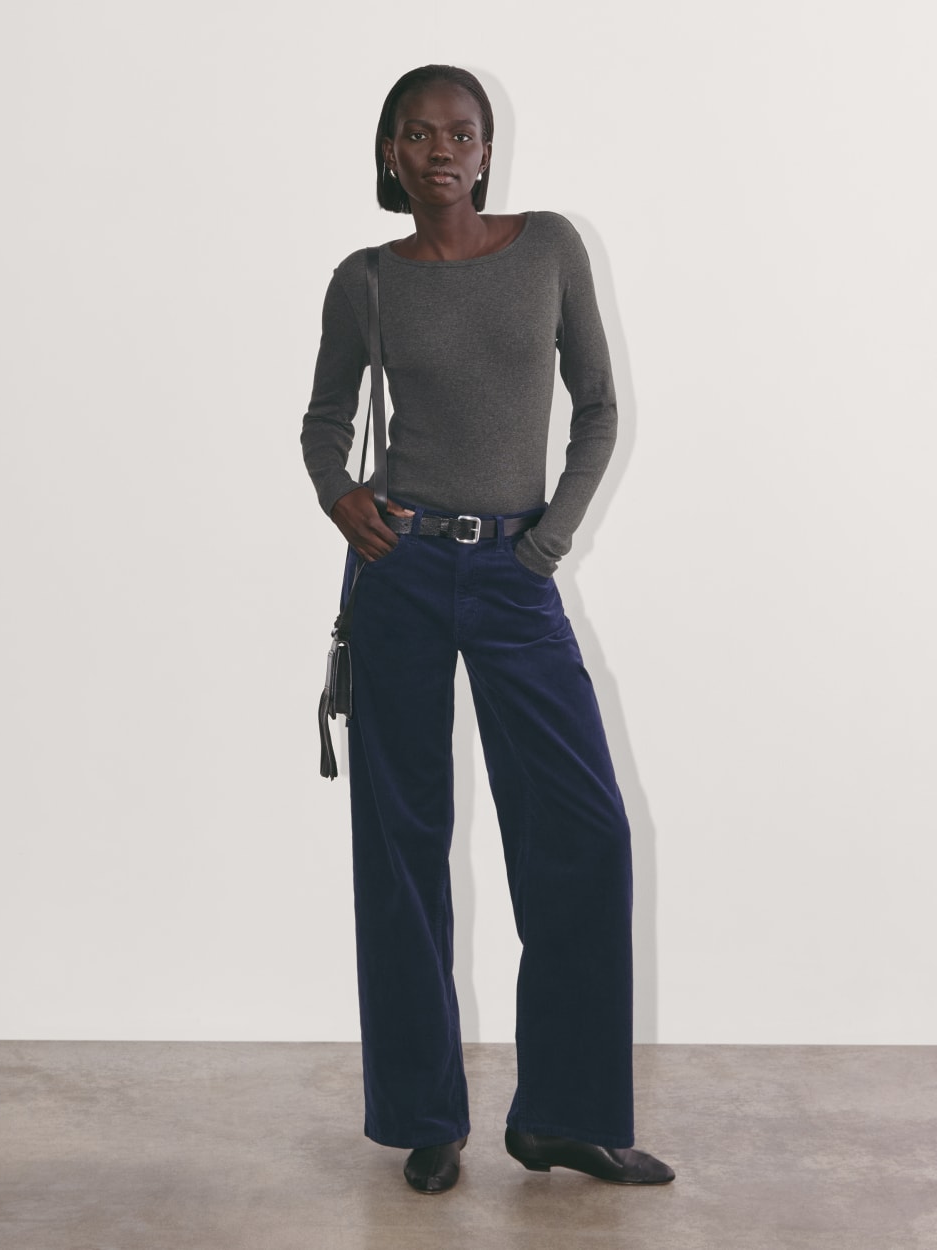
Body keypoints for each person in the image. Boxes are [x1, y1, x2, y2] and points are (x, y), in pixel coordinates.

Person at [301, 64, 675, 1195]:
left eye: (460, 133)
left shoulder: (548, 247)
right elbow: (323, 421)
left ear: (487, 148)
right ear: (390, 153)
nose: (441, 151)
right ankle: (426, 1116)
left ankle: (563, 1117)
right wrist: (340, 495)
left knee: (585, 833)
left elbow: (598, 407)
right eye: (418, 135)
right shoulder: (366, 281)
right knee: (402, 844)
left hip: (515, 576)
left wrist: (547, 543)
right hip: (400, 571)